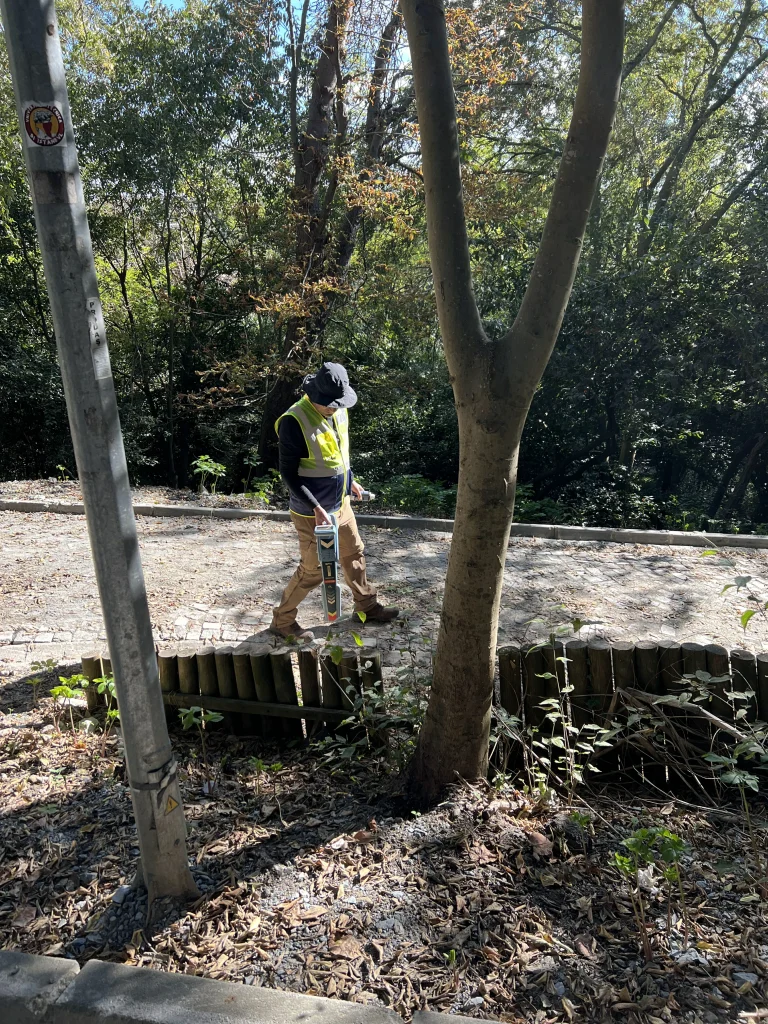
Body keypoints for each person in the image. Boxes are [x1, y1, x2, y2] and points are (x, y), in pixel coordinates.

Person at [269, 362, 399, 640]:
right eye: (327, 403)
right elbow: (289, 474)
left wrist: (350, 479)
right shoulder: (294, 421)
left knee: (354, 555)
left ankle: (366, 606)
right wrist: (316, 508)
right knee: (313, 570)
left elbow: (339, 455)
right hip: (311, 513)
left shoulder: (338, 412)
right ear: (312, 394)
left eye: (337, 403)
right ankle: (282, 621)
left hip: (341, 505)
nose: (333, 408)